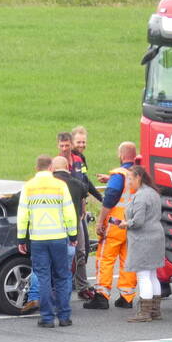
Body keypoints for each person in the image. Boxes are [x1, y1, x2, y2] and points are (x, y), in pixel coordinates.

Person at [17, 155, 78, 327]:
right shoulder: (60, 185)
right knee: (62, 276)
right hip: (58, 237)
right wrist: (72, 235)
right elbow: (69, 212)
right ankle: (64, 316)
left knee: (43, 277)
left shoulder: (28, 187)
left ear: (36, 168)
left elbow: (23, 215)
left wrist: (21, 238)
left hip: (38, 239)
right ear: (51, 168)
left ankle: (47, 318)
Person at [84, 141, 138, 310]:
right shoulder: (138, 173)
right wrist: (110, 179)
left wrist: (101, 221)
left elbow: (112, 195)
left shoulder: (119, 174)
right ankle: (126, 297)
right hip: (132, 225)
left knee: (105, 258)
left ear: (121, 155)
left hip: (115, 225)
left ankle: (101, 295)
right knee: (127, 260)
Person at [119, 165, 165, 322]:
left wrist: (126, 223)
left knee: (143, 275)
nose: (128, 182)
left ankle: (144, 313)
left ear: (138, 177)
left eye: (130, 179)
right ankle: (155, 311)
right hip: (156, 236)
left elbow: (138, 222)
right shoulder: (153, 193)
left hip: (143, 239)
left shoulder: (141, 196)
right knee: (152, 274)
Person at [70, 126, 102, 300]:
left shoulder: (80, 158)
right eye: (79, 142)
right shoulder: (71, 160)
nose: (82, 145)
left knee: (83, 247)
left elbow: (85, 181)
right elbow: (78, 185)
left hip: (80, 207)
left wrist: (99, 197)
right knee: (80, 248)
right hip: (74, 209)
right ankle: (80, 285)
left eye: (84, 142)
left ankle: (79, 282)